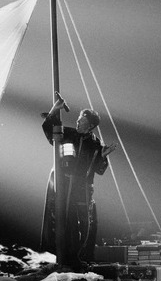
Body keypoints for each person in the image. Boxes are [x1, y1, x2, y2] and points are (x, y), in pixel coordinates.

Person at [40, 92, 116, 271]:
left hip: (82, 188)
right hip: (62, 183)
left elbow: (99, 170)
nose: (77, 121)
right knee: (58, 218)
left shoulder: (96, 144)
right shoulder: (67, 134)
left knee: (82, 223)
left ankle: (76, 258)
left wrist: (103, 156)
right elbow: (49, 129)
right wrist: (55, 109)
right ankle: (56, 256)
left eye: (82, 120)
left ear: (90, 126)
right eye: (79, 118)